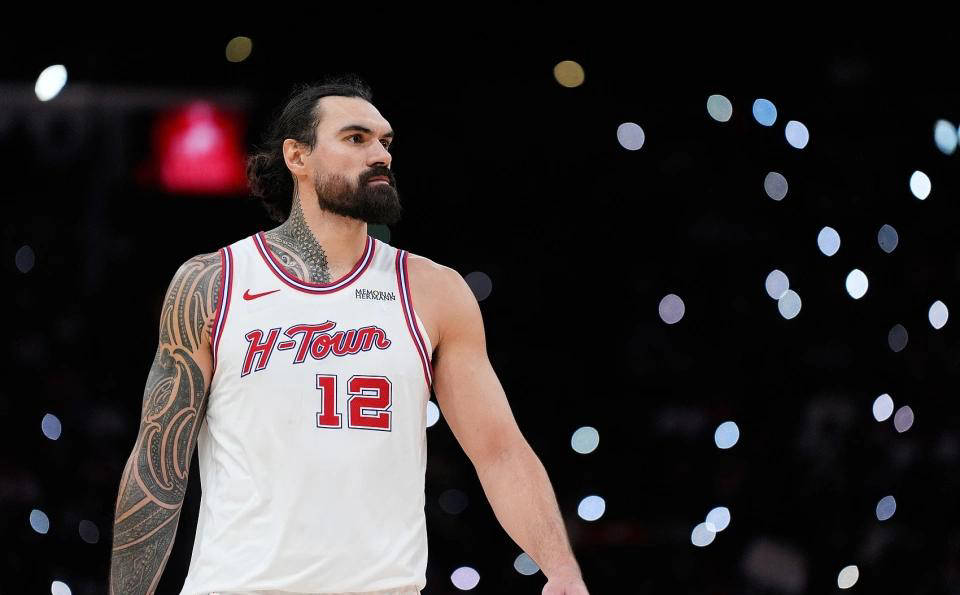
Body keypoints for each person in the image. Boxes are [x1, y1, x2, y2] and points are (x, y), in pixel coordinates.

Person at [109, 73, 589, 595]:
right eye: (356, 139)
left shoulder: (434, 291)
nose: (380, 155)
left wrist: (562, 569)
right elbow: (159, 465)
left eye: (385, 142)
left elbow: (500, 451)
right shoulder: (213, 283)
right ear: (297, 156)